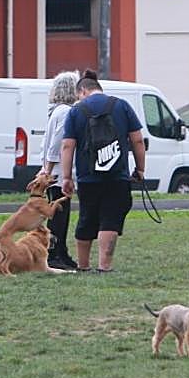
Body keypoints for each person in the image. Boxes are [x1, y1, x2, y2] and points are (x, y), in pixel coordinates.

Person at [59, 70, 145, 273]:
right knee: (110, 219)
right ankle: (104, 266)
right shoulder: (121, 106)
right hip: (117, 175)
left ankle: (83, 265)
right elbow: (138, 140)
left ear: (82, 91)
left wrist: (66, 177)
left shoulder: (76, 111)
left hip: (88, 177)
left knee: (87, 217)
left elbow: (67, 146)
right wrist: (140, 169)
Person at [39, 71, 79, 270]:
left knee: (59, 215)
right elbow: (57, 145)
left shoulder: (56, 111)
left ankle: (60, 251)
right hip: (58, 174)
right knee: (58, 217)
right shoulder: (66, 113)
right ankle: (54, 253)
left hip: (54, 172)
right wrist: (50, 170)